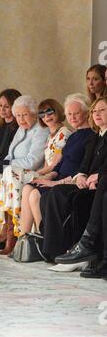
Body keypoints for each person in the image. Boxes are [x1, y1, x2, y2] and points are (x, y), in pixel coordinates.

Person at [0, 95, 49, 252]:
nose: (21, 119)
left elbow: (32, 161)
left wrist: (5, 165)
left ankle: (7, 233)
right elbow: (9, 155)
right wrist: (4, 164)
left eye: (24, 115)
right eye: (18, 115)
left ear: (34, 113)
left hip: (27, 173)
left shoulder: (41, 130)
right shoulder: (21, 129)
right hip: (11, 171)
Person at [0, 98, 71, 251]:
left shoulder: (64, 133)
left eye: (50, 112)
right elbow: (49, 164)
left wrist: (38, 175)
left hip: (53, 175)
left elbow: (54, 165)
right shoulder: (50, 135)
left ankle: (13, 234)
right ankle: (15, 234)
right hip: (44, 172)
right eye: (43, 113)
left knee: (11, 172)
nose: (46, 116)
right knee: (10, 172)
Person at [38, 96, 107, 261]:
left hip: (97, 183)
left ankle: (69, 247)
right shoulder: (96, 135)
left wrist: (96, 175)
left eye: (102, 110)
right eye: (95, 111)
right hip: (86, 181)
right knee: (50, 193)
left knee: (58, 192)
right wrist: (83, 175)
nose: (97, 114)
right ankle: (53, 249)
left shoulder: (90, 133)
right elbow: (84, 164)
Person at [20, 94, 93, 235]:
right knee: (28, 188)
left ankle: (44, 238)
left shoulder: (91, 135)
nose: (72, 117)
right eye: (69, 114)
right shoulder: (73, 136)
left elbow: (83, 168)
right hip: (59, 176)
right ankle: (25, 238)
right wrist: (49, 176)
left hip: (70, 180)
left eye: (76, 113)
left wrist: (56, 182)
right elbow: (59, 164)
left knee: (35, 194)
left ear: (86, 113)